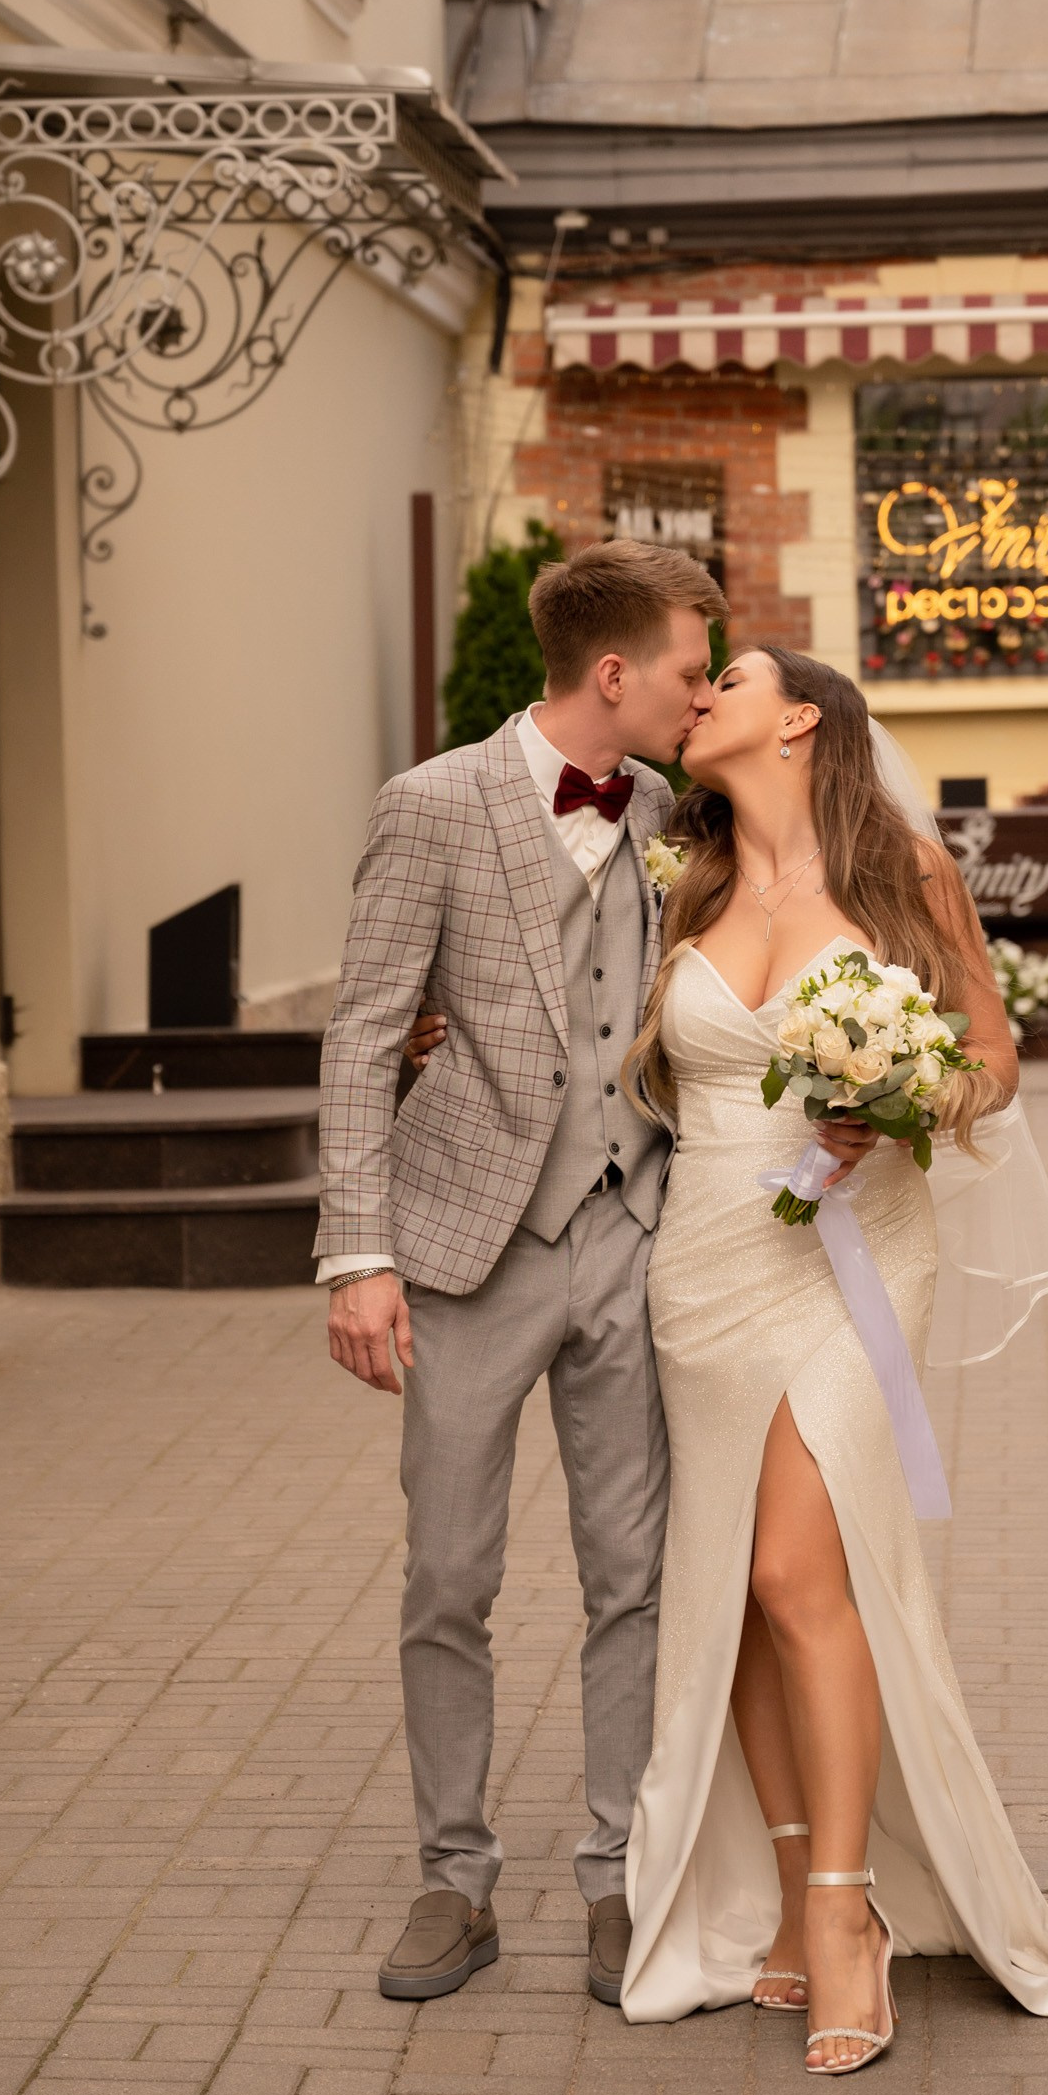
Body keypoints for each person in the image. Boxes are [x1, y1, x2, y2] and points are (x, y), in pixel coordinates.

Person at [619, 646, 1048, 2071]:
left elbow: (994, 1060)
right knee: (733, 1592)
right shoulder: (687, 881)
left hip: (856, 1254)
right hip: (705, 1267)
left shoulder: (902, 871)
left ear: (803, 721)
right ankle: (785, 1896)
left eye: (731, 677)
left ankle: (848, 1914)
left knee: (793, 1571)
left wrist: (902, 1094)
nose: (699, 693)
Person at [315, 538, 726, 2007]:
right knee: (449, 1574)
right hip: (467, 1250)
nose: (705, 691)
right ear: (613, 674)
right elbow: (367, 1034)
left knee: (636, 1577)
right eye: (692, 666)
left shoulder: (679, 812)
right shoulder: (431, 808)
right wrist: (357, 1256)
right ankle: (455, 1883)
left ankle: (621, 1879)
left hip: (636, 1231)